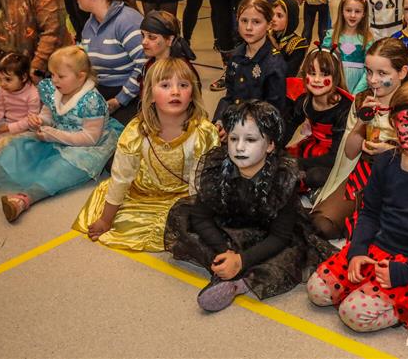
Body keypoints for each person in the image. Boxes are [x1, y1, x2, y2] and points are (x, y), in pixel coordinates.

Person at [307, 79, 408, 334]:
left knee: (354, 314)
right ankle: (365, 289)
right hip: (375, 250)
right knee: (317, 290)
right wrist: (357, 251)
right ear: (393, 124)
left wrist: (403, 273)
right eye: (405, 124)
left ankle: (387, 300)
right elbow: (369, 213)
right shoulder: (384, 162)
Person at [164, 100, 337, 312]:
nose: (239, 147)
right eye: (234, 138)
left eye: (251, 140)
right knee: (181, 217)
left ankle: (239, 283)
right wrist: (226, 252)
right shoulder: (218, 167)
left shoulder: (282, 177)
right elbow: (201, 217)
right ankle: (224, 266)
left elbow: (279, 236)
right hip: (228, 226)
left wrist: (242, 260)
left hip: (267, 232)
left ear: (271, 145)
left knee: (290, 256)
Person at [0, 46, 123, 223]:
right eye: (53, 74)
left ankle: (25, 198)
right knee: (18, 149)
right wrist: (39, 121)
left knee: (61, 168)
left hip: (85, 146)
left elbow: (90, 138)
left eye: (61, 76)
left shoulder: (91, 101)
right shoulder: (53, 89)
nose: (54, 80)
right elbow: (48, 114)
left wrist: (53, 133)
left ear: (81, 77)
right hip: (53, 134)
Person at [73, 57, 219, 251]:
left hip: (185, 195)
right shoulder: (136, 130)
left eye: (183, 85)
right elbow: (121, 177)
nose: (175, 91)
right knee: (124, 220)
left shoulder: (204, 132)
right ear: (150, 95)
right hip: (144, 191)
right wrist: (106, 220)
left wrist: (196, 221)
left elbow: (201, 183)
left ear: (192, 93)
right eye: (165, 85)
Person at [311, 38, 408, 240]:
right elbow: (349, 152)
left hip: (400, 178)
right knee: (321, 225)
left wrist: (393, 150)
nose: (372, 80)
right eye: (369, 71)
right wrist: (361, 122)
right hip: (364, 173)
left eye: (382, 73)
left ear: (402, 72)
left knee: (385, 237)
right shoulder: (361, 100)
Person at [74, 0, 145, 126]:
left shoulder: (127, 21)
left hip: (130, 96)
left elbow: (144, 66)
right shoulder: (89, 24)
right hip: (101, 92)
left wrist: (119, 100)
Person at [283, 47, 353, 191]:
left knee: (314, 176)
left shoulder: (344, 109)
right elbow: (288, 126)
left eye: (324, 74)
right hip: (313, 149)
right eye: (312, 73)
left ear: (336, 77)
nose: (316, 80)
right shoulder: (305, 101)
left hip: (336, 159)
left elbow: (336, 157)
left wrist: (298, 163)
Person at [213, 0, 286, 126]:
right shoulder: (236, 55)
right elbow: (230, 96)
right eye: (244, 20)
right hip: (234, 123)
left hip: (257, 130)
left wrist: (236, 127)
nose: (248, 27)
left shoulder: (274, 63)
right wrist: (219, 121)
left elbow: (273, 111)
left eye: (256, 22)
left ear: (269, 25)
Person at [322, 0, 373, 94]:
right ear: (342, 11)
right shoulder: (331, 36)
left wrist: (356, 92)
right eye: (348, 10)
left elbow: (369, 69)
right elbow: (323, 63)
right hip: (334, 86)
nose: (352, 15)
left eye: (357, 11)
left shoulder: (367, 39)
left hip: (358, 87)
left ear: (364, 14)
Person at [271, 0, 309, 78]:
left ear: (290, 19)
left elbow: (288, 74)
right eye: (272, 14)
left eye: (279, 16)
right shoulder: (266, 36)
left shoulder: (297, 45)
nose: (273, 19)